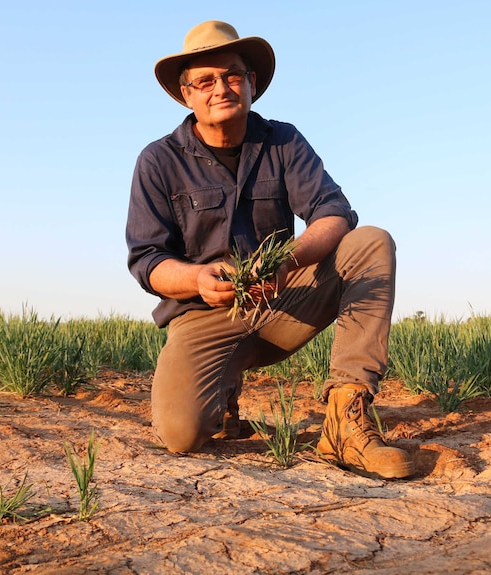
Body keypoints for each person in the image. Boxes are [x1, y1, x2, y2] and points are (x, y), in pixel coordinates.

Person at [126, 20, 414, 479]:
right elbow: (147, 260)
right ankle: (222, 394)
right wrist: (198, 279)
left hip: (282, 301)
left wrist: (286, 264)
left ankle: (345, 418)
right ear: (187, 94)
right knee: (182, 435)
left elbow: (334, 213)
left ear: (252, 83)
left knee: (370, 242)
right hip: (204, 313)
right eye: (205, 80)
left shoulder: (283, 141)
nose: (221, 87)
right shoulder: (158, 160)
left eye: (232, 75)